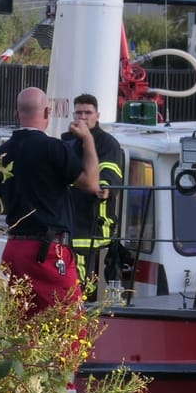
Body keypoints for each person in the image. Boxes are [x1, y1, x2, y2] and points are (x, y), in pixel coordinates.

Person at [0, 87, 100, 313]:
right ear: (47, 113)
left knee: (22, 325)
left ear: (17, 115)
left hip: (15, 249)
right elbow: (91, 184)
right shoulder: (54, 148)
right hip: (48, 251)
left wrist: (23, 198)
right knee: (70, 327)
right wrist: (88, 139)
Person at [65, 92, 126, 298]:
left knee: (85, 276)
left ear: (97, 115)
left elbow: (111, 171)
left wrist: (105, 187)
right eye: (79, 112)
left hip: (95, 219)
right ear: (73, 114)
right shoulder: (66, 141)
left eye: (88, 113)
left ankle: (87, 306)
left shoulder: (108, 143)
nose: (83, 117)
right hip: (69, 216)